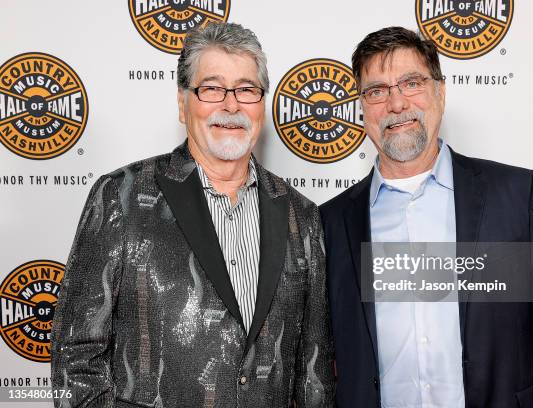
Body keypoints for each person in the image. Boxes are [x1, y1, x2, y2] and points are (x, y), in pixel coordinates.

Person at [51, 22, 334, 408]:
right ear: (184, 104)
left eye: (247, 90)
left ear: (262, 106)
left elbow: (313, 377)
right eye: (212, 88)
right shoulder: (123, 196)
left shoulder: (301, 216)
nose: (231, 105)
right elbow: (75, 357)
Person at [320, 26, 533, 408]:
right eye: (376, 91)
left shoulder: (512, 196)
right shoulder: (330, 222)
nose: (396, 104)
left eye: (411, 82)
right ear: (362, 108)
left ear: (440, 93)